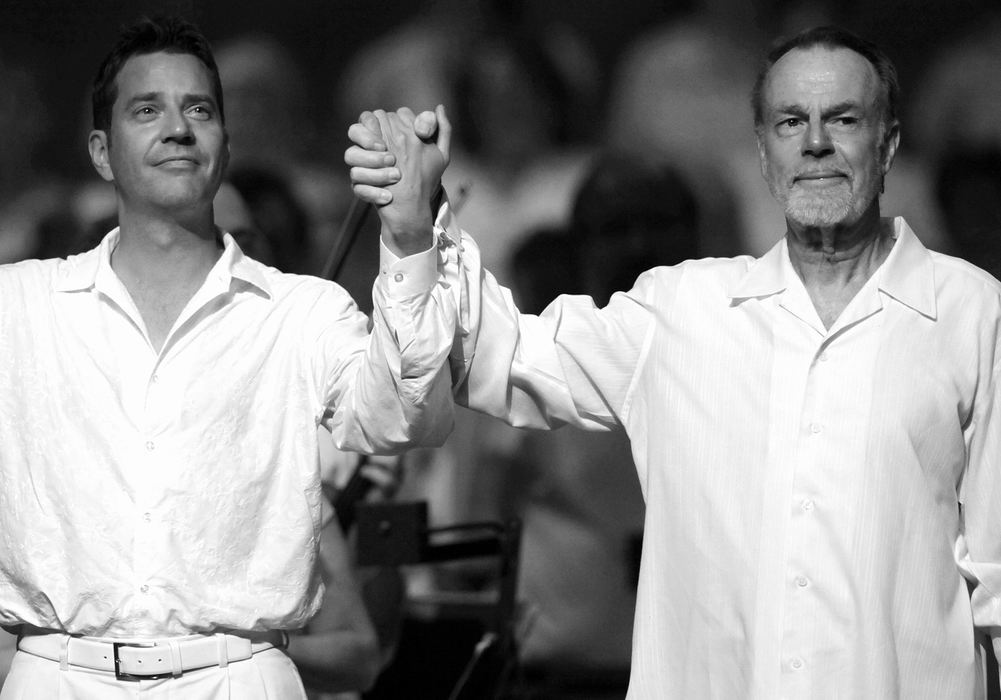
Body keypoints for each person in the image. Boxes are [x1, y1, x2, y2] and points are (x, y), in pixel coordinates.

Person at [345, 26, 1001, 699]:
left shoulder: (972, 314)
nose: (814, 143)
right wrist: (413, 226)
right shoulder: (681, 311)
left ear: (888, 141)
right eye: (789, 122)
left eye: (843, 118)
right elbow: (493, 355)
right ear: (762, 151)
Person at [0, 15, 454, 698]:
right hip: (58, 676)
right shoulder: (19, 307)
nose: (177, 128)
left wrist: (411, 233)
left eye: (199, 110)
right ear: (101, 152)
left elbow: (408, 420)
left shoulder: (303, 313)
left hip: (240, 676)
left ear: (224, 144)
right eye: (146, 109)